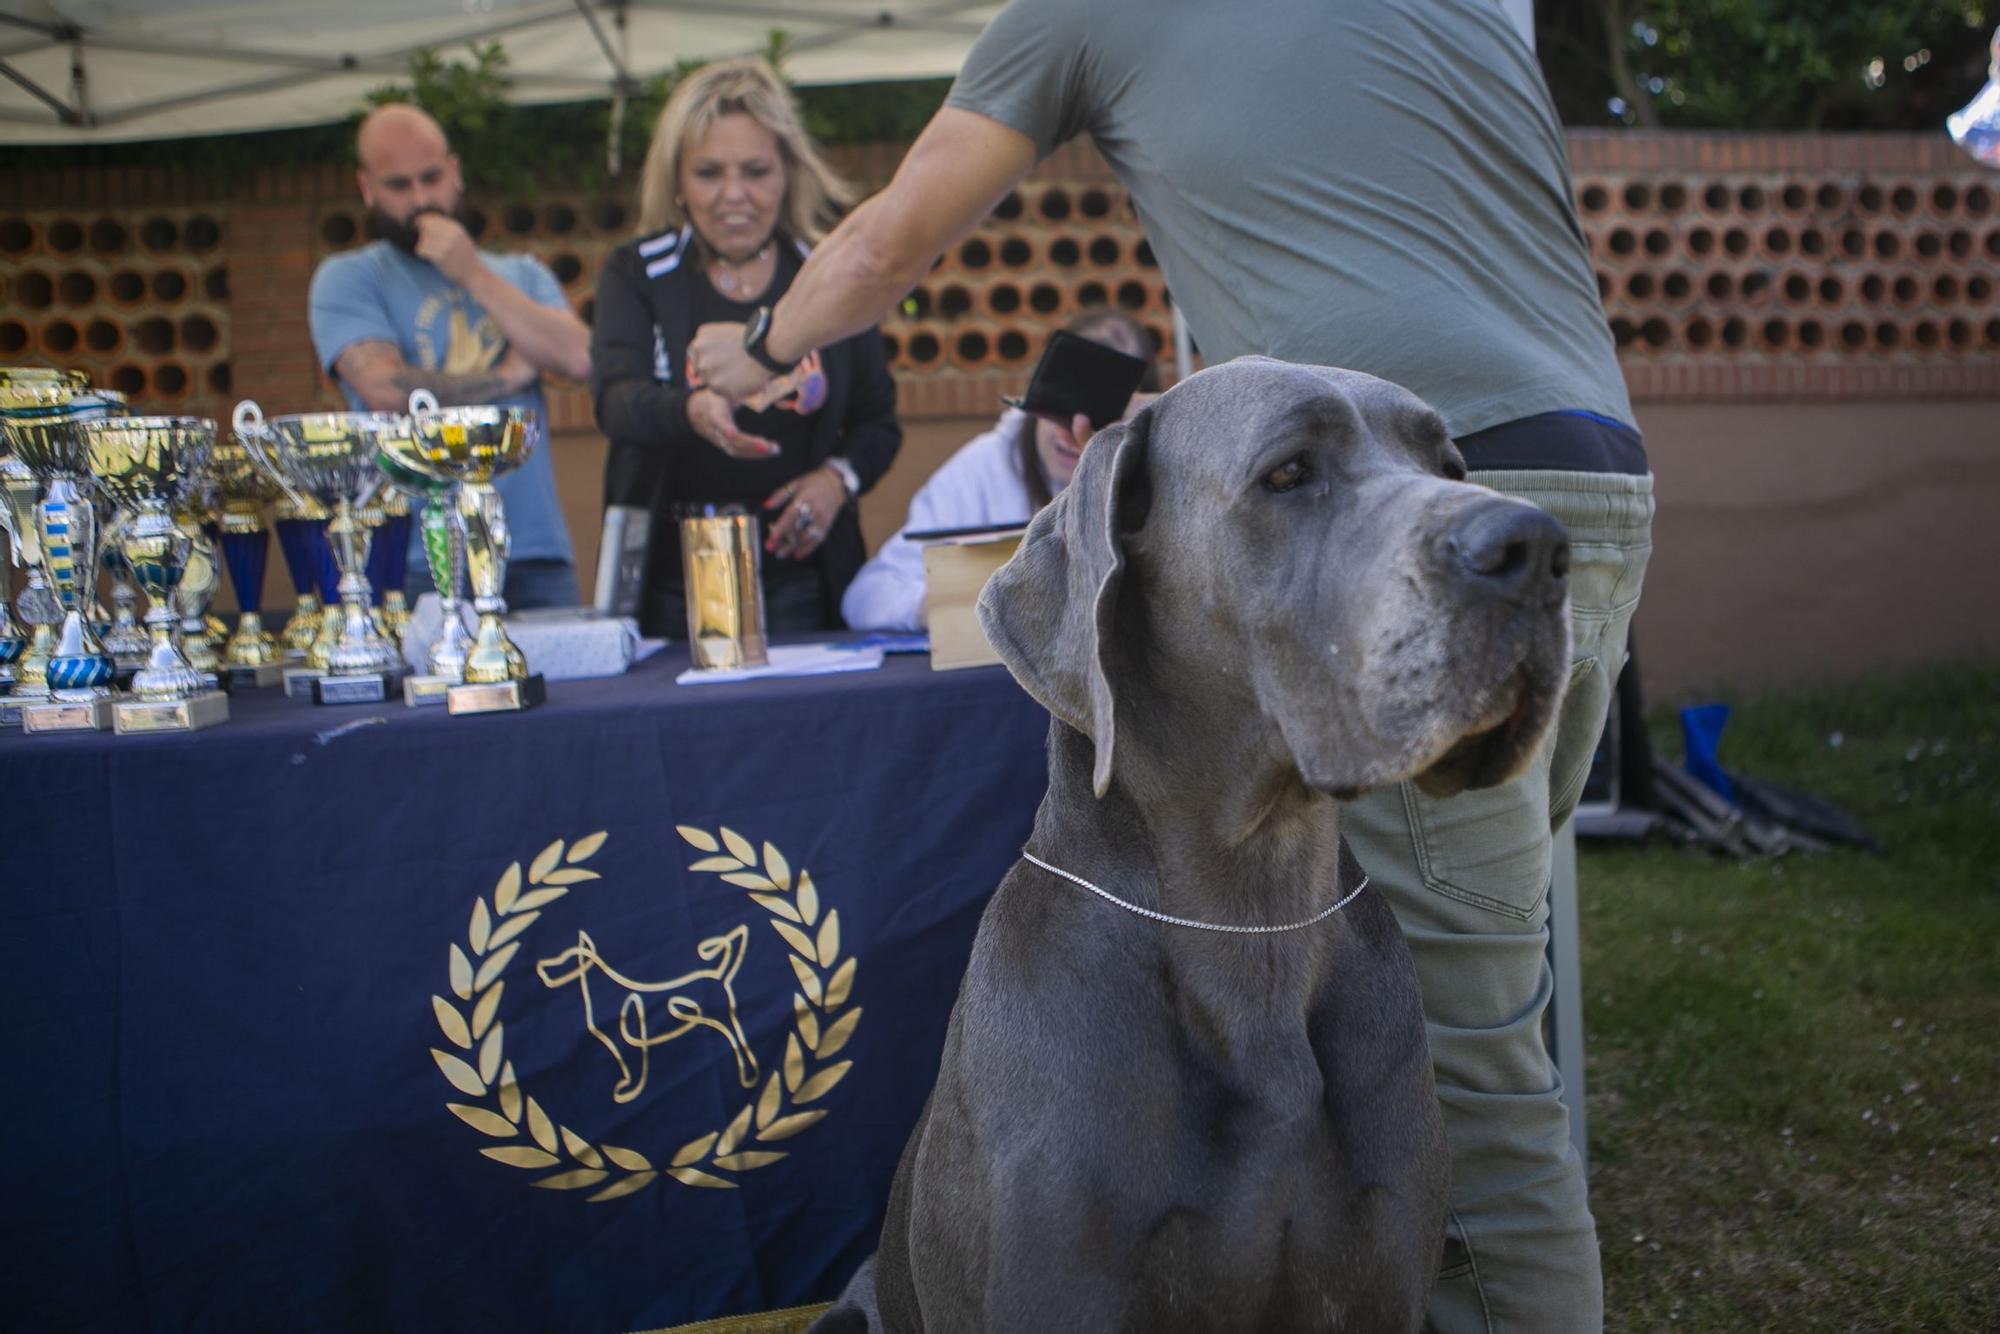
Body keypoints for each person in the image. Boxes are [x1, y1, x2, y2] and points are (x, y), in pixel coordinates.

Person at [686, 4, 1654, 1330]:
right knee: (1497, 1003)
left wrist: (759, 350)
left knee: (1474, 1068)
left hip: (1432, 490)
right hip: (1581, 460)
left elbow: (885, 237)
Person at [589, 59, 901, 638]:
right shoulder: (637, 273)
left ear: (788, 173)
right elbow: (614, 400)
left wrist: (836, 481)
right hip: (669, 586)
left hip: (806, 582)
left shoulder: (827, 274)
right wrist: (691, 410)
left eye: (756, 171)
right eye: (709, 172)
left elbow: (878, 423)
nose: (735, 195)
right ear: (677, 180)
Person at [308, 103, 590, 610]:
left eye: (432, 178)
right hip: (413, 557)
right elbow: (384, 389)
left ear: (455, 173)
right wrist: (508, 376)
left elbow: (579, 358)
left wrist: (472, 274)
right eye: (398, 185)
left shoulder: (520, 275)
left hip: (532, 550)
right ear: (367, 188)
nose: (421, 199)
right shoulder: (347, 277)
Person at [841, 309, 1155, 631]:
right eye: (1058, 409)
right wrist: (938, 608)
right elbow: (866, 596)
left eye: (1098, 420)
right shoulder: (983, 468)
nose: (1068, 434)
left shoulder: (1159, 476)